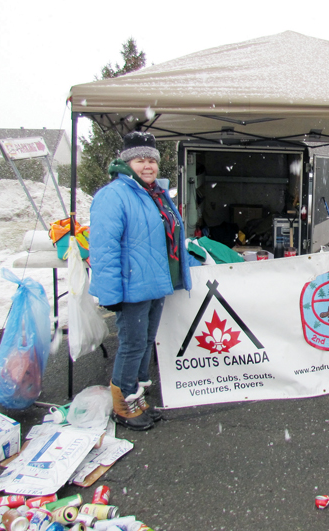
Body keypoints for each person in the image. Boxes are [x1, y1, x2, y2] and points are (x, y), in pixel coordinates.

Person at [89, 131, 198, 430]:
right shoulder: (113, 195)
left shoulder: (154, 193)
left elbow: (168, 238)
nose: (148, 166)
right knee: (132, 345)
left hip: (154, 282)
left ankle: (138, 399)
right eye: (140, 160)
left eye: (152, 160)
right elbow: (103, 248)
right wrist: (110, 293)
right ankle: (123, 406)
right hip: (132, 286)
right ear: (126, 162)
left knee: (146, 342)